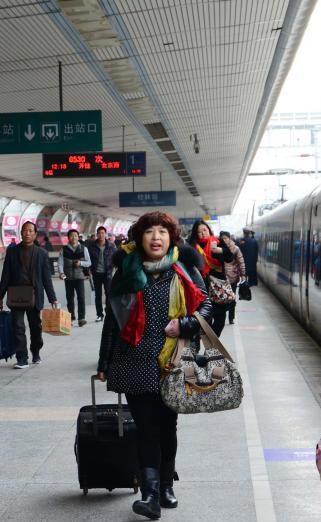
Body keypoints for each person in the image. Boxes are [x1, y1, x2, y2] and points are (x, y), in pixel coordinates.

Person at [97, 211, 212, 519]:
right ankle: (150, 494)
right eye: (149, 231)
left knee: (167, 426)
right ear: (139, 237)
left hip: (173, 360)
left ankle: (165, 485)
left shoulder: (184, 270)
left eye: (162, 231)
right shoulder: (125, 272)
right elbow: (113, 319)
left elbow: (207, 306)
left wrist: (184, 325)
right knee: (146, 427)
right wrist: (104, 360)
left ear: (171, 237)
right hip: (133, 360)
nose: (156, 237)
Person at [0, 221, 59, 369]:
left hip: (35, 295)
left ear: (35, 234)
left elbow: (46, 278)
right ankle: (22, 358)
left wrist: (53, 298)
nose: (27, 233)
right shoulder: (12, 252)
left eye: (31, 231)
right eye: (25, 230)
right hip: (16, 295)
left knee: (35, 327)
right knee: (18, 327)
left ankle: (36, 351)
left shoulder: (42, 253)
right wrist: (0, 297)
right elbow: (5, 275)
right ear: (21, 233)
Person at [189, 220, 233, 336]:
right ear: (195, 234)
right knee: (204, 320)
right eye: (199, 232)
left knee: (220, 320)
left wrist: (220, 250)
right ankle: (208, 346)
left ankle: (212, 344)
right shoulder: (192, 247)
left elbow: (229, 257)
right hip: (201, 288)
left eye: (205, 230)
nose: (203, 233)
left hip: (218, 287)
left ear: (209, 230)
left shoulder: (217, 242)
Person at [59, 229, 91, 327]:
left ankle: (81, 318)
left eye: (75, 235)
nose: (74, 237)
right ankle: (71, 318)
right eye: (71, 236)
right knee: (70, 298)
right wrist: (61, 273)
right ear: (68, 238)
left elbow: (89, 262)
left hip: (79, 277)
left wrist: (80, 263)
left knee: (81, 298)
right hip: (67, 278)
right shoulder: (63, 249)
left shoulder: (83, 248)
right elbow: (60, 263)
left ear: (78, 237)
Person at [88, 226, 117, 322]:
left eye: (102, 233)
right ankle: (99, 314)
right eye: (99, 233)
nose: (101, 235)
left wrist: (114, 268)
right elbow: (88, 259)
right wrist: (89, 271)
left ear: (105, 234)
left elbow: (116, 258)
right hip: (96, 273)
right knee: (98, 295)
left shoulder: (111, 246)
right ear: (97, 235)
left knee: (108, 294)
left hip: (107, 273)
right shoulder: (92, 246)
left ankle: (108, 313)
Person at [220, 231, 246, 324]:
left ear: (229, 238)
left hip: (233, 277)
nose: (224, 240)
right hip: (221, 278)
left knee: (232, 299)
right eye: (222, 238)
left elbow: (240, 261)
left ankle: (231, 317)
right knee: (222, 299)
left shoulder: (235, 249)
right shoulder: (218, 248)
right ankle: (222, 315)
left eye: (226, 238)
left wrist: (243, 274)